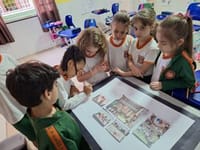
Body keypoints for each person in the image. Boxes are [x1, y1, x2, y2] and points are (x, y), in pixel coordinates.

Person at [6, 61, 91, 150]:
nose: (57, 87)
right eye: (56, 84)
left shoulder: (35, 108)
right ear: (48, 94)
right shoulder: (55, 137)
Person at [150, 13, 196, 98]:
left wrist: (164, 85)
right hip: (154, 92)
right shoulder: (164, 50)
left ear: (179, 42)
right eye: (158, 41)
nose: (158, 46)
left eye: (163, 43)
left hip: (166, 96)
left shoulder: (182, 61)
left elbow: (189, 82)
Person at [0, 53, 36, 142]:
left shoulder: (6, 58)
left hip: (31, 104)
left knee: (47, 131)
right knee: (36, 139)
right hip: (16, 115)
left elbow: (25, 75)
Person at [118, 8, 159, 83]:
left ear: (152, 27)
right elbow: (129, 60)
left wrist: (122, 73)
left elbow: (141, 72)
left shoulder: (153, 48)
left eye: (142, 28)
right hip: (132, 74)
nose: (138, 32)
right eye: (135, 28)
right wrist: (133, 67)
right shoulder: (134, 41)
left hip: (144, 79)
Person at [54, 45, 92, 111]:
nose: (78, 73)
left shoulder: (64, 71)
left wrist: (72, 86)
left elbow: (69, 82)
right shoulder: (57, 80)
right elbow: (64, 105)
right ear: (70, 63)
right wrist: (84, 93)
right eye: (78, 69)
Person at [107, 10, 134, 75]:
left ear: (127, 30)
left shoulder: (130, 40)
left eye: (122, 32)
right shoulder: (107, 41)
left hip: (127, 74)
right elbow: (106, 61)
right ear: (111, 27)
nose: (118, 35)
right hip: (113, 74)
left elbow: (132, 59)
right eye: (116, 31)